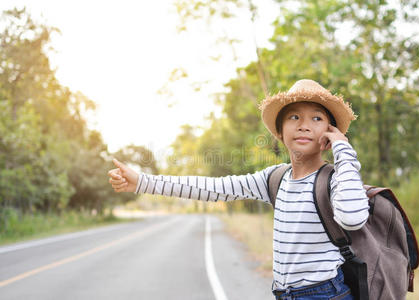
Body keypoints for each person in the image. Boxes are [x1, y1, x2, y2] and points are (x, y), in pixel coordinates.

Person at [107, 79, 369, 299]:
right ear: (280, 131)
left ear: (329, 132)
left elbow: (353, 217)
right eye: (294, 116)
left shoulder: (336, 178)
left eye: (317, 118)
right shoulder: (274, 179)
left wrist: (342, 148)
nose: (304, 124)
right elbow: (212, 188)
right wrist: (142, 181)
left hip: (325, 293)